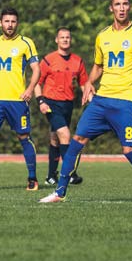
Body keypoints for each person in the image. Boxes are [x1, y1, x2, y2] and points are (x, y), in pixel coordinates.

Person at [39, 0, 132, 204]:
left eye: (125, 4)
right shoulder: (102, 36)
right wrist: (89, 82)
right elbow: (98, 66)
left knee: (128, 149)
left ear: (130, 7)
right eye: (117, 4)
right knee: (77, 140)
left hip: (126, 101)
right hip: (101, 100)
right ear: (111, 8)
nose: (122, 8)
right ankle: (60, 192)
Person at [0, 7, 40, 191]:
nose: (10, 25)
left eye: (13, 21)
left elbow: (37, 69)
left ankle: (32, 178)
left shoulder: (26, 43)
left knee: (24, 138)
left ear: (17, 23)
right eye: (6, 21)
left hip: (17, 101)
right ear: (0, 23)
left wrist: (29, 89)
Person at [34, 27, 88, 186]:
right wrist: (41, 101)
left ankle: (51, 176)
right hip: (51, 103)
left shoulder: (78, 61)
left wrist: (92, 98)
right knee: (65, 134)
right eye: (62, 37)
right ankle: (70, 173)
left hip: (68, 105)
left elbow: (84, 84)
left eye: (68, 37)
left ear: (70, 40)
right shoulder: (48, 60)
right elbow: (37, 83)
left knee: (55, 140)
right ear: (56, 40)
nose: (65, 40)